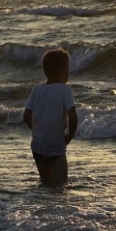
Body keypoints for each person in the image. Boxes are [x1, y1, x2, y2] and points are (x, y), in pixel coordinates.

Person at [22, 48, 78, 187]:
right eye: (68, 67)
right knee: (60, 187)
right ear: (62, 71)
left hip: (38, 145)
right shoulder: (65, 90)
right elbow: (73, 117)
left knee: (46, 184)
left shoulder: (37, 89)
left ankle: (44, 208)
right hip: (56, 146)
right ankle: (53, 209)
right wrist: (69, 136)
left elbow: (26, 115)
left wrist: (38, 131)